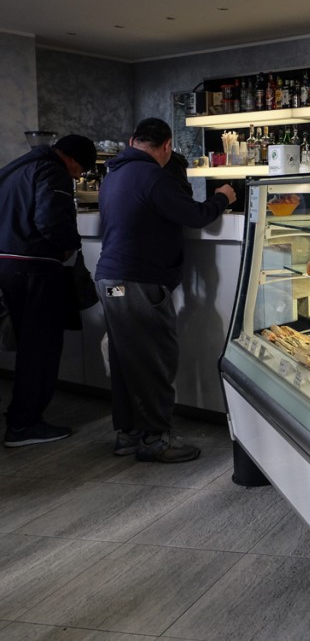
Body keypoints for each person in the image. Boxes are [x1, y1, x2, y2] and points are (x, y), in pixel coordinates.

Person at [95, 118, 237, 463]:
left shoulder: (113, 175)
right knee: (153, 359)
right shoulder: (153, 177)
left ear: (132, 140)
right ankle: (156, 439)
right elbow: (195, 215)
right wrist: (222, 197)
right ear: (167, 146)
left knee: (126, 359)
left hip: (111, 282)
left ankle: (128, 434)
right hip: (139, 282)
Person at [0, 134, 97, 447]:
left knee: (25, 344)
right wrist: (70, 244)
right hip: (35, 267)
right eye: (81, 168)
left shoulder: (16, 168)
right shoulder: (51, 171)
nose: (79, 176)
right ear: (69, 157)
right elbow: (50, 219)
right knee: (40, 348)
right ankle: (24, 424)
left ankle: (19, 416)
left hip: (8, 264)